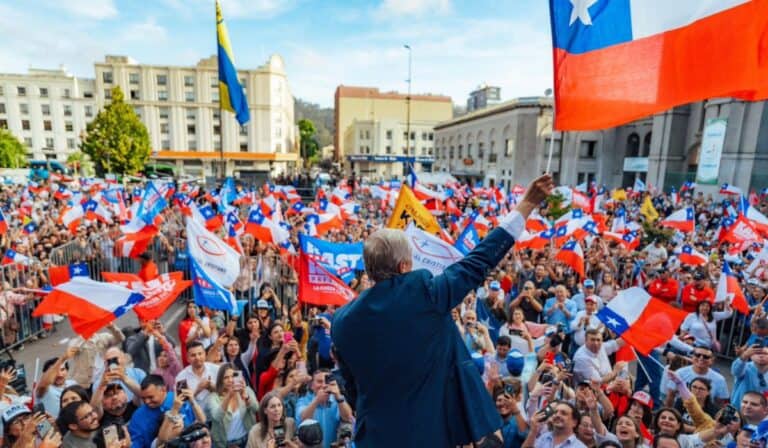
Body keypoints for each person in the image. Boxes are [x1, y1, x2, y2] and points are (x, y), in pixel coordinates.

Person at [331, 174, 555, 447]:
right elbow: (479, 260)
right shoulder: (424, 292)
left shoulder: (342, 322)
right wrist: (527, 204)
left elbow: (350, 386)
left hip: (375, 436)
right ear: (404, 267)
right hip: (430, 434)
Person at [127, 375, 200, 448]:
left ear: (163, 389)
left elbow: (200, 424)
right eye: (143, 398)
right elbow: (135, 444)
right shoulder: (138, 416)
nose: (147, 401)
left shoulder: (181, 400)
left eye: (150, 397)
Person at [295, 370, 353, 448]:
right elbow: (304, 419)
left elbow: (348, 418)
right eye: (319, 381)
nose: (323, 385)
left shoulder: (338, 400)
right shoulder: (303, 400)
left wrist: (338, 395)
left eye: (327, 381)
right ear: (312, 385)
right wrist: (316, 400)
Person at [207, 363, 259, 448]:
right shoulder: (213, 397)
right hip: (224, 444)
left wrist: (246, 398)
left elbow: (256, 408)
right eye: (226, 377)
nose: (230, 380)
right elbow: (217, 416)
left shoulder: (246, 390)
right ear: (220, 380)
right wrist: (229, 396)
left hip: (247, 440)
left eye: (233, 376)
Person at [663, 344, 729, 407]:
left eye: (706, 357)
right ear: (692, 357)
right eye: (697, 355)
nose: (701, 358)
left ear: (712, 360)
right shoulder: (680, 373)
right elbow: (670, 395)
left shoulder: (720, 379)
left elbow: (720, 404)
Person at [36, 346, 78, 419]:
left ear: (67, 371)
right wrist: (62, 359)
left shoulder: (73, 384)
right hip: (51, 427)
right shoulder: (45, 388)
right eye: (55, 372)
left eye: (62, 370)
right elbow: (45, 383)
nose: (59, 374)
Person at [521, 401, 586, 448]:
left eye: (563, 413)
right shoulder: (544, 438)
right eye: (555, 412)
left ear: (574, 422)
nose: (557, 415)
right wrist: (533, 431)